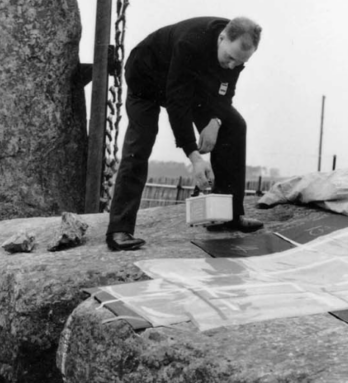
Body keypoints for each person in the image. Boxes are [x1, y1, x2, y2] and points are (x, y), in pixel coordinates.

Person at [106, 16, 264, 251]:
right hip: (147, 77)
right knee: (140, 143)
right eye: (229, 58)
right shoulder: (190, 43)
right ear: (221, 38)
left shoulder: (235, 54)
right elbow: (177, 102)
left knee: (235, 126)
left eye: (238, 62)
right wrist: (194, 156)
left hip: (189, 81)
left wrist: (216, 121)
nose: (232, 66)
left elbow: (225, 92)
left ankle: (229, 216)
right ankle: (119, 229)